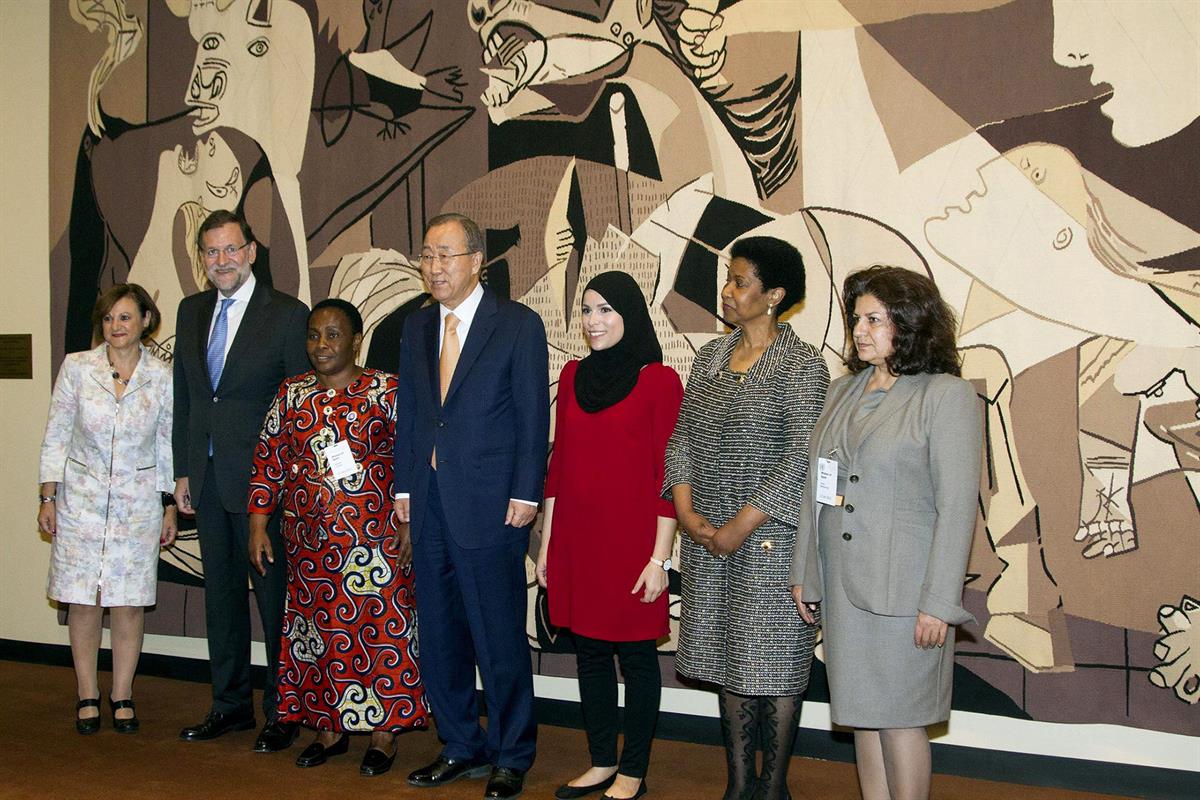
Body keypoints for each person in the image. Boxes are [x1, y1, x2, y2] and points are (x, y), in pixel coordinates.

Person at [790, 266, 982, 800]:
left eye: (875, 319)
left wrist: (940, 603)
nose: (860, 330)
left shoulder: (946, 396)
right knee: (864, 719)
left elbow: (957, 506)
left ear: (911, 323)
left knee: (901, 719)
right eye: (857, 319)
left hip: (906, 593)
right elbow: (818, 489)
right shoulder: (840, 392)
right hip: (847, 589)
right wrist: (806, 572)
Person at [664, 237, 829, 800]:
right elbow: (683, 437)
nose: (727, 292)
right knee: (730, 657)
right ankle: (739, 786)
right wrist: (686, 511)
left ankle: (773, 785)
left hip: (771, 541)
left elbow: (800, 458)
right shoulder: (709, 357)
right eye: (728, 280)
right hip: (709, 536)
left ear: (775, 295)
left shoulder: (803, 365)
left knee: (775, 664)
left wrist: (741, 525)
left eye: (740, 282)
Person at [392, 212, 550, 800]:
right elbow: (412, 414)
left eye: (446, 254)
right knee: (439, 635)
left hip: (492, 505)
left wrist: (526, 492)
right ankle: (461, 743)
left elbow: (535, 416)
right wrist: (405, 491)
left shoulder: (517, 324)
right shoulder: (414, 327)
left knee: (498, 636)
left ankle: (512, 753)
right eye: (427, 255)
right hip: (429, 504)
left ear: (477, 260)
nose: (434, 266)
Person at [247, 298, 430, 776]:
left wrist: (411, 522)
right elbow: (269, 459)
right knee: (318, 637)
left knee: (379, 633)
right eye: (313, 334)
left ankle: (383, 736)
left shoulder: (386, 391)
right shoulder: (292, 394)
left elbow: (414, 460)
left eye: (332, 334)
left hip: (375, 545)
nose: (321, 344)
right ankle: (329, 730)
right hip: (308, 547)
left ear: (355, 339)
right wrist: (259, 524)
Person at [536, 271, 683, 800]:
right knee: (591, 654)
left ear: (630, 316)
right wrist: (549, 544)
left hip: (632, 547)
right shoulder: (572, 376)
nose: (593, 321)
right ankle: (601, 761)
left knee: (638, 659)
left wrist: (659, 560)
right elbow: (559, 468)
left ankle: (632, 771)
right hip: (577, 540)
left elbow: (670, 476)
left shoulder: (659, 381)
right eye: (587, 310)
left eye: (605, 310)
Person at [172, 209, 309, 751]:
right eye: (211, 252)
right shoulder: (190, 311)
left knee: (275, 603)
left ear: (251, 251)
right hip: (205, 480)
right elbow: (188, 397)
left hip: (264, 493)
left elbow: (298, 407)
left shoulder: (287, 314)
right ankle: (229, 706)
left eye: (231, 249)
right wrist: (181, 469)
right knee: (221, 601)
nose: (222, 260)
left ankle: (283, 711)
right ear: (202, 259)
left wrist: (285, 486)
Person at [38, 283, 177, 735]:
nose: (115, 327)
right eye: (108, 319)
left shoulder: (162, 375)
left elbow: (166, 444)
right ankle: (86, 692)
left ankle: (121, 693)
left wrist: (169, 504)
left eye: (124, 318)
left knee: (128, 603)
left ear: (145, 322)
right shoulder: (77, 368)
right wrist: (48, 496)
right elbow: (56, 433)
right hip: (80, 500)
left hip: (138, 504)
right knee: (81, 601)